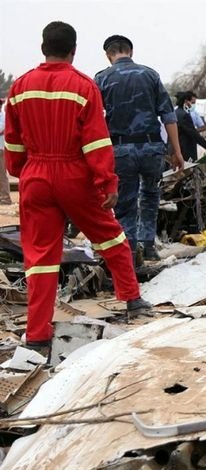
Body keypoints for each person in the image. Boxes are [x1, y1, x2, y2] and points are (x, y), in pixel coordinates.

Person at [3, 21, 150, 354]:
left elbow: (11, 141)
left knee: (40, 258)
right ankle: (133, 299)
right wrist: (107, 181)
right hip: (74, 175)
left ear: (43, 47)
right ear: (74, 50)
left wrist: (22, 171)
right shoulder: (83, 86)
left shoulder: (21, 87)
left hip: (36, 175)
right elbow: (96, 142)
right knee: (109, 235)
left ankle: (38, 335)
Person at [95, 34, 183, 263]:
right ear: (130, 52)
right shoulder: (150, 75)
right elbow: (168, 115)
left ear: (108, 55)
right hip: (151, 148)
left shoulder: (102, 78)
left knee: (125, 200)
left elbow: (92, 119)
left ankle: (131, 250)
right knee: (151, 196)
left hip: (121, 150)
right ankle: (148, 245)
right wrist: (177, 151)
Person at [175, 91, 206, 161]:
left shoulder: (176, 113)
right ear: (186, 101)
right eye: (191, 103)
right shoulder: (184, 115)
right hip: (186, 150)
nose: (192, 105)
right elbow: (194, 135)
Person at [0, 99, 12, 204]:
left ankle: (5, 197)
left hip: (1, 149)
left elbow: (1, 129)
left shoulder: (3, 117)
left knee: (2, 174)